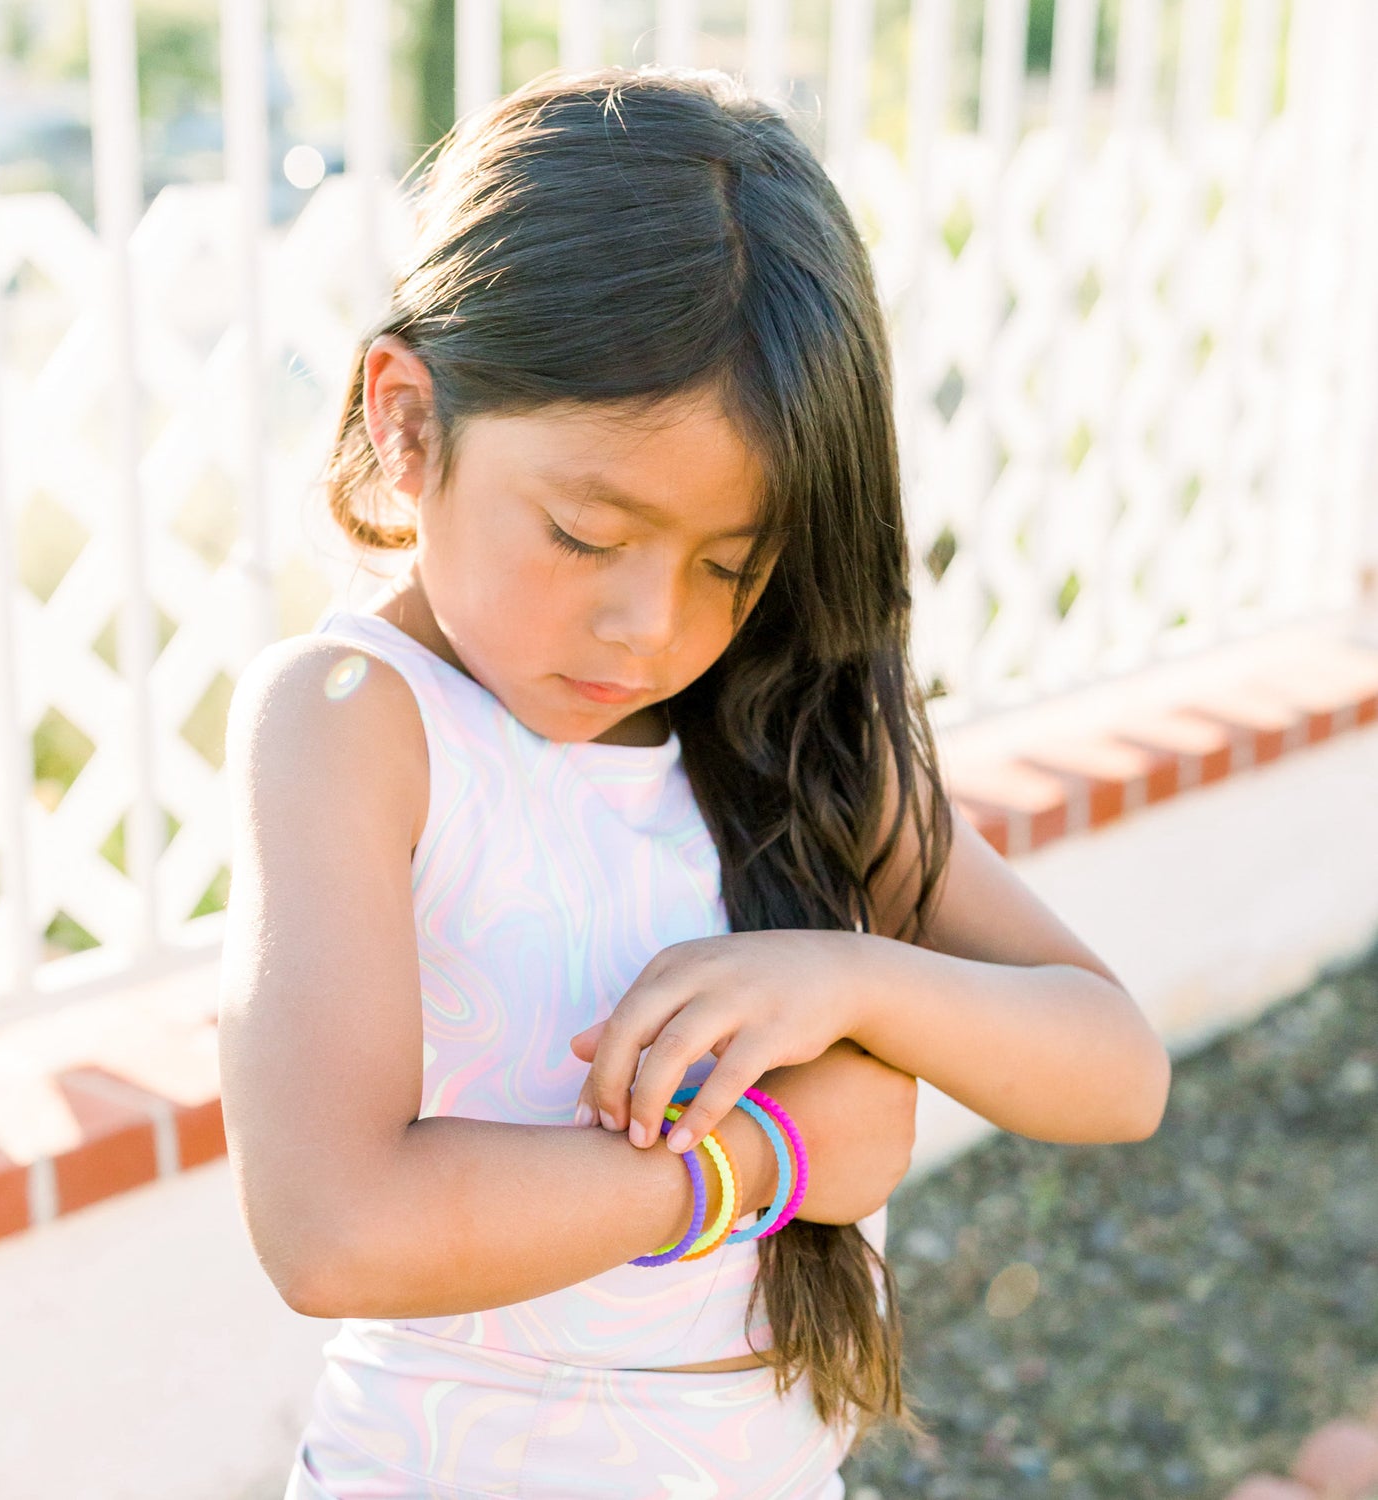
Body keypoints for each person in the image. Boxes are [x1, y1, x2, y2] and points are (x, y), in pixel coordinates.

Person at [218, 65, 1172, 1500]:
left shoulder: (782, 732)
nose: (652, 628)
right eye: (587, 534)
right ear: (410, 424)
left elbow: (1117, 1068)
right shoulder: (360, 721)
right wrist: (762, 1162)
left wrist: (850, 982)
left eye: (731, 563)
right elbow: (337, 1229)